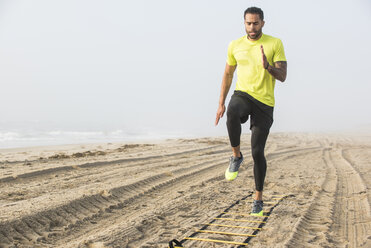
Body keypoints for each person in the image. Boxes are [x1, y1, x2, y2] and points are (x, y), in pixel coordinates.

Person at [215, 7, 287, 216]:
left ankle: (258, 197)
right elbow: (228, 75)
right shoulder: (235, 45)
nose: (252, 27)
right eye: (248, 23)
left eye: (256, 23)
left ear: (263, 23)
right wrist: (220, 103)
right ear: (244, 23)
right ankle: (236, 156)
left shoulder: (275, 43)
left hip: (264, 103)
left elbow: (282, 75)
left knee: (257, 152)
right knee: (232, 111)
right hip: (243, 94)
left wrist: (269, 68)